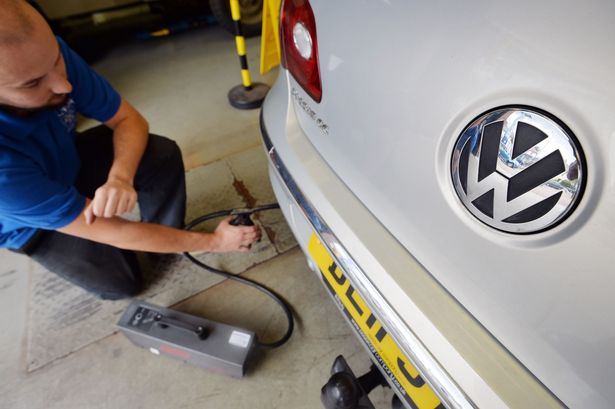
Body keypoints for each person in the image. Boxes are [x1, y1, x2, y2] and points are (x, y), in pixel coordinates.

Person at [0, 1, 261, 300]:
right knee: (121, 284)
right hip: (28, 222)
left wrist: (120, 178)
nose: (63, 85)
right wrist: (215, 242)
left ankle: (165, 239)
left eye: (57, 60)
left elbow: (129, 119)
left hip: (64, 158)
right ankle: (154, 242)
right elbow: (115, 232)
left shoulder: (42, 57)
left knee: (159, 153)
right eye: (33, 83)